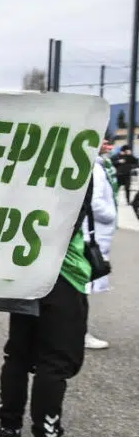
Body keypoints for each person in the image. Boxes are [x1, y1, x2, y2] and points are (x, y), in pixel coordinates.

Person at [0, 176, 98, 437]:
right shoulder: (75, 156)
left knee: (18, 354)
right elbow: (74, 217)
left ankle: (9, 429)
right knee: (56, 361)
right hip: (62, 275)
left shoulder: (32, 157)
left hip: (25, 269)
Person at [86, 150, 116, 350]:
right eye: (104, 139)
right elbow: (94, 202)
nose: (108, 143)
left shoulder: (100, 164)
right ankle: (80, 332)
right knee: (83, 287)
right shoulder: (95, 167)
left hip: (95, 232)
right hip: (95, 232)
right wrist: (111, 215)